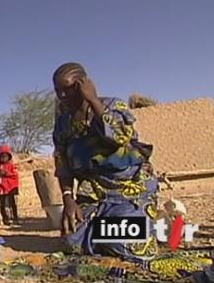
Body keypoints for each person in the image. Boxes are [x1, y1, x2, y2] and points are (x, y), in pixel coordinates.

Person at [52, 62, 158, 262]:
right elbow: (62, 164)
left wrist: (93, 101)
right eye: (58, 91)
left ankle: (153, 225)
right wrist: (68, 198)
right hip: (95, 194)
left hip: (128, 190)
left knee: (126, 244)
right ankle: (110, 229)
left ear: (82, 85)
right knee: (71, 242)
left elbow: (119, 137)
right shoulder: (63, 124)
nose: (62, 96)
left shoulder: (112, 106)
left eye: (68, 89)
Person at [0, 144, 19, 225]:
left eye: (5, 156)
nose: (3, 158)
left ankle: (15, 217)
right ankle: (5, 219)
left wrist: (6, 173)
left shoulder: (11, 166)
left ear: (8, 156)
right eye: (2, 156)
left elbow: (15, 175)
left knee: (12, 204)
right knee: (2, 205)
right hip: (0, 189)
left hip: (10, 188)